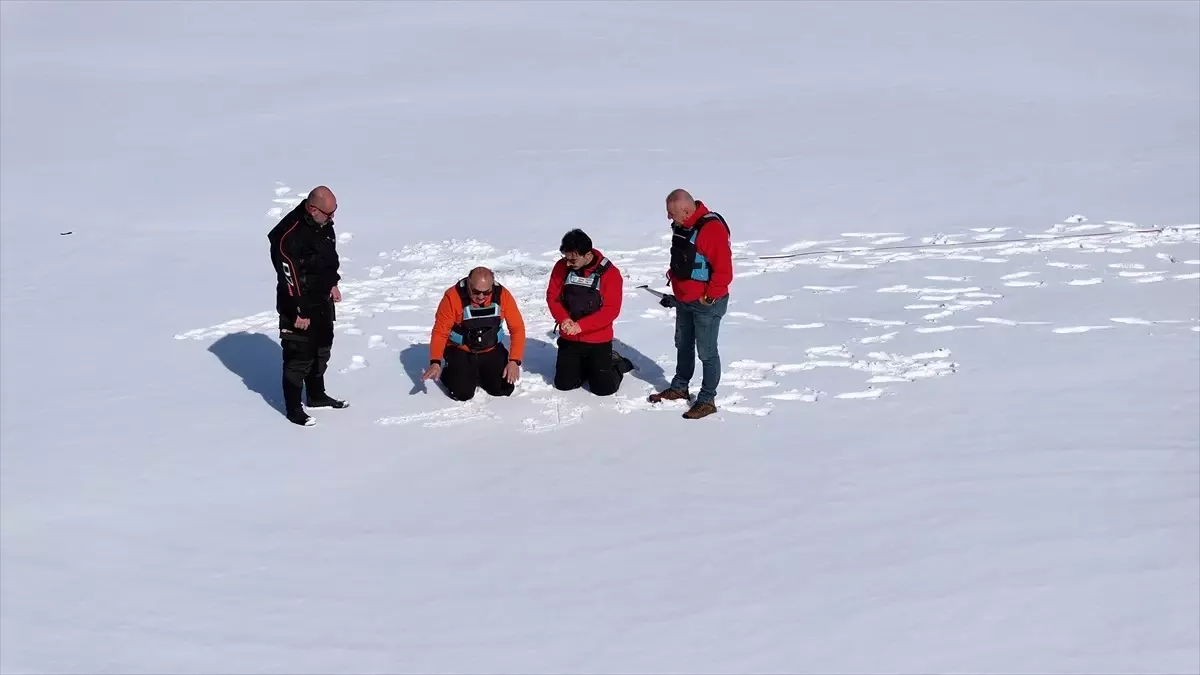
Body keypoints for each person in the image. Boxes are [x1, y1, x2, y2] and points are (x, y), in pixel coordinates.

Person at [647, 189, 734, 419]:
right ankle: (680, 387)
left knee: (706, 352)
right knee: (683, 345)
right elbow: (685, 256)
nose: (668, 217)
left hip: (706, 303)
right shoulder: (683, 225)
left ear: (686, 211)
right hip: (684, 300)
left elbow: (724, 272)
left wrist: (709, 297)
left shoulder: (711, 229)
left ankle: (707, 399)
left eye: (670, 213)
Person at [267, 185, 348, 427]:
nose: (333, 219)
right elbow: (288, 276)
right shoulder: (288, 234)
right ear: (313, 209)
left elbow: (328, 256)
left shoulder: (323, 224)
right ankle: (293, 408)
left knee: (322, 348)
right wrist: (297, 310)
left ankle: (316, 395)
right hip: (298, 302)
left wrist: (332, 282)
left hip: (321, 298)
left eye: (335, 213)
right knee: (299, 355)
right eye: (328, 214)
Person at [546, 229, 634, 396]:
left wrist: (581, 326)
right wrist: (563, 319)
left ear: (587, 255)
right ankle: (585, 366)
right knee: (564, 384)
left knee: (603, 389)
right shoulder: (562, 267)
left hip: (598, 339)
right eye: (565, 257)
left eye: (572, 259)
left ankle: (617, 363)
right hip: (570, 337)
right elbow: (553, 297)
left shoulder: (610, 274)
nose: (568, 263)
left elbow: (611, 310)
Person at [421, 267, 526, 400]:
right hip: (461, 350)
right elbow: (440, 331)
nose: (481, 297)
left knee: (502, 389)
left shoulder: (502, 295)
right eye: (476, 292)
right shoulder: (452, 297)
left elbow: (517, 328)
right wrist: (435, 361)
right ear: (469, 284)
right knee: (463, 394)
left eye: (486, 292)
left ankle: (480, 371)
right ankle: (450, 372)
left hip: (491, 348)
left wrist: (514, 361)